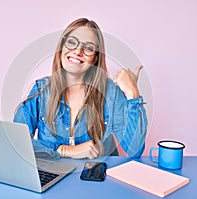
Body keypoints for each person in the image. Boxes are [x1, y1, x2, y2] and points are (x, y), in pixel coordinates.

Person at [13, 18, 147, 159]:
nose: (78, 51)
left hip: (96, 178)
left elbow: (135, 150)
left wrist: (132, 94)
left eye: (88, 48)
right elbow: (16, 142)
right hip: (53, 176)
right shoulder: (41, 90)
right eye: (72, 42)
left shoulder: (111, 93)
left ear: (95, 58)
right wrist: (65, 150)